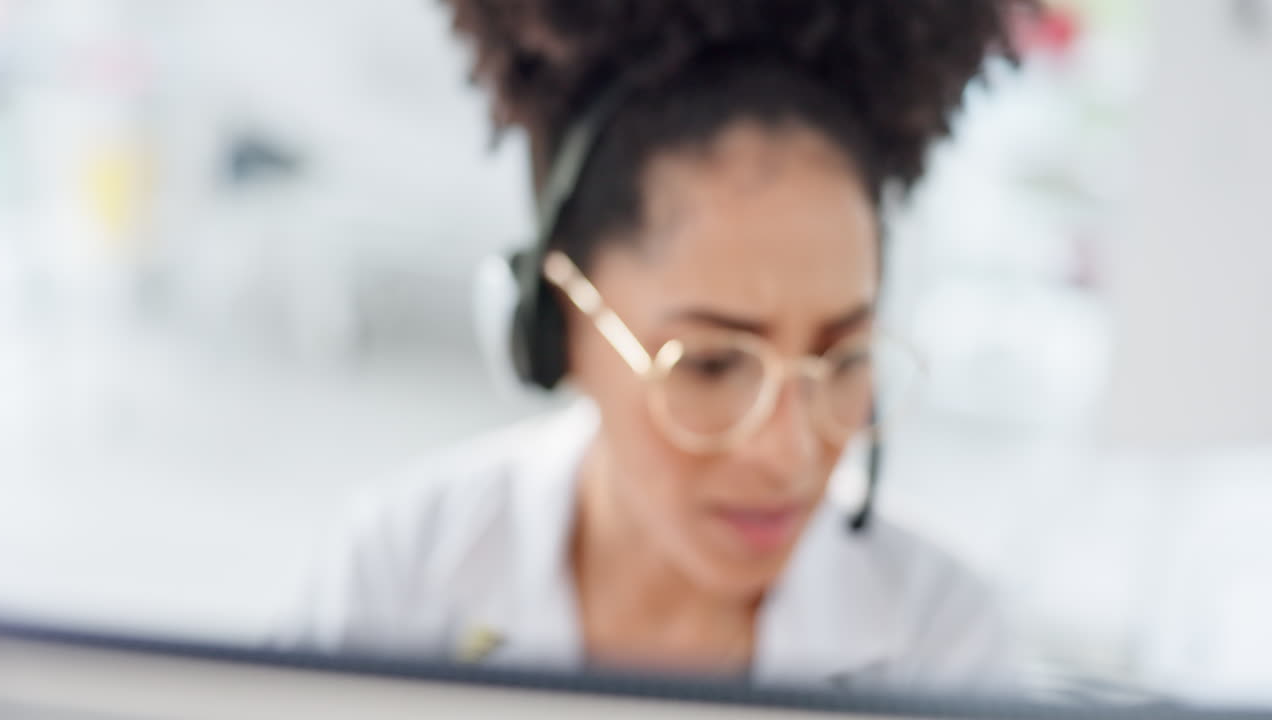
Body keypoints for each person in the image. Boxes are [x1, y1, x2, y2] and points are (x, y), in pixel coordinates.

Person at [282, 0, 1029, 692]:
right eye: (712, 364)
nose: (791, 452)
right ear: (554, 325)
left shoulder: (946, 643)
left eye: (845, 358)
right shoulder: (396, 580)